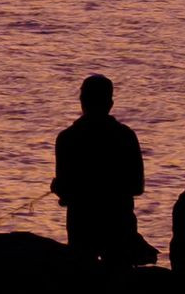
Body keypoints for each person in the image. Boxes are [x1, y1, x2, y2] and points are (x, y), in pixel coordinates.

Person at [53, 74, 151, 265]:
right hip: (118, 225)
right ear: (110, 103)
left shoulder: (67, 138)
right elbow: (137, 187)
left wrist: (59, 187)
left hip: (82, 226)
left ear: (82, 101)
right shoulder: (126, 136)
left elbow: (66, 192)